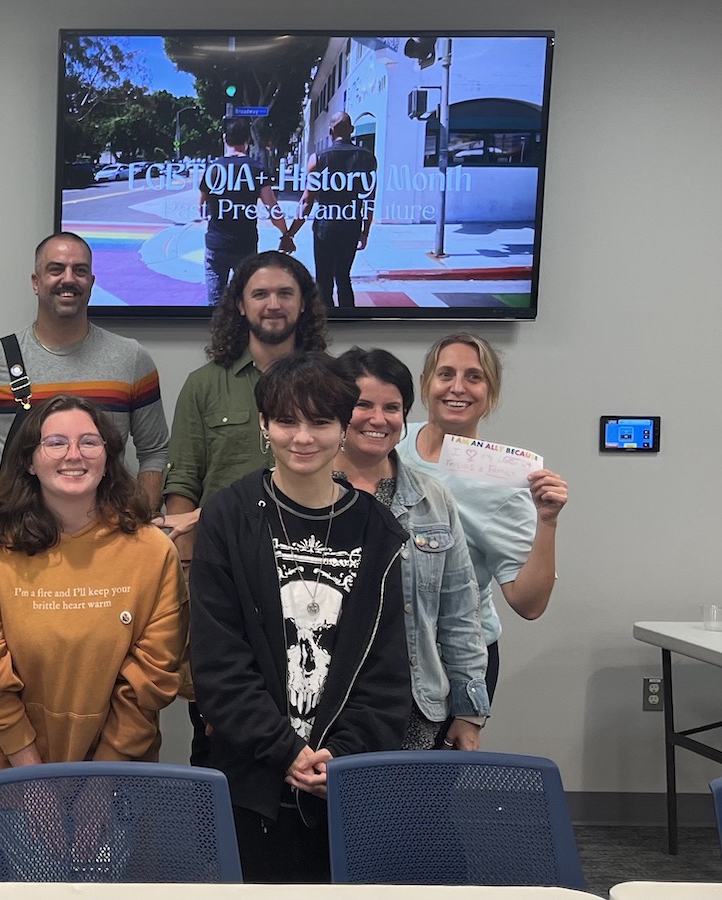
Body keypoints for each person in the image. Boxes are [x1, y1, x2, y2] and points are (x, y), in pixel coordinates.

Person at [189, 352, 410, 883]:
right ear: (265, 425)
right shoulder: (228, 514)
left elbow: (385, 670)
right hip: (246, 778)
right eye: (287, 421)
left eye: (320, 422)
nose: (303, 437)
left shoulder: (378, 529)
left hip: (343, 782)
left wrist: (342, 756)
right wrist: (286, 751)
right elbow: (219, 662)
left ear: (343, 428)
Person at [0, 394, 183, 795]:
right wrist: (32, 779)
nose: (74, 455)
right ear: (29, 460)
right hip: (14, 767)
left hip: (120, 773)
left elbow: (153, 678)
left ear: (108, 457)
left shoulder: (153, 551)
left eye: (89, 442)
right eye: (56, 442)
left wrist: (99, 786)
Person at [158, 251, 329, 765]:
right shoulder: (204, 384)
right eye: (260, 294)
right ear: (239, 304)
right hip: (226, 575)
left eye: (285, 293)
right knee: (219, 725)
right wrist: (189, 568)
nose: (273, 304)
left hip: (316, 571)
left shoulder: (332, 382)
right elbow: (183, 482)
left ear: (304, 305)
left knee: (309, 710)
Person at [0, 233, 169, 511]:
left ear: (92, 283)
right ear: (36, 283)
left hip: (108, 535)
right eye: (56, 269)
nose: (68, 279)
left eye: (80, 270)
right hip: (16, 532)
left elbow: (155, 451)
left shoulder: (132, 360)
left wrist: (141, 520)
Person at [333, 348, 491, 750]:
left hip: (413, 706)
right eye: (362, 405)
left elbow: (460, 613)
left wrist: (469, 712)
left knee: (409, 813)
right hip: (324, 706)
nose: (378, 419)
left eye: (392, 407)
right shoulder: (306, 495)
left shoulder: (432, 499)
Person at [397, 333, 569, 697]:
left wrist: (548, 522)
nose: (457, 387)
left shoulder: (506, 484)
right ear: (425, 384)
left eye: (474, 377)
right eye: (446, 374)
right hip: (381, 652)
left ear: (491, 391)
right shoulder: (390, 443)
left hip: (455, 661)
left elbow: (529, 604)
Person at [286, 112, 378, 309]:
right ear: (352, 130)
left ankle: (325, 323)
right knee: (344, 276)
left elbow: (307, 201)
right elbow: (370, 200)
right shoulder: (368, 158)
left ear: (330, 131)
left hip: (325, 227)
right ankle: (348, 320)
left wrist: (290, 233)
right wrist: (365, 231)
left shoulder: (317, 159)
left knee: (324, 279)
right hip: (351, 225)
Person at [200, 117, 295, 305]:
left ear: (224, 138)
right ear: (248, 140)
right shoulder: (258, 169)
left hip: (217, 244)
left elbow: (201, 207)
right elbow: (273, 208)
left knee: (215, 304)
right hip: (245, 244)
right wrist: (286, 234)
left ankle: (218, 333)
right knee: (245, 301)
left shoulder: (213, 169)